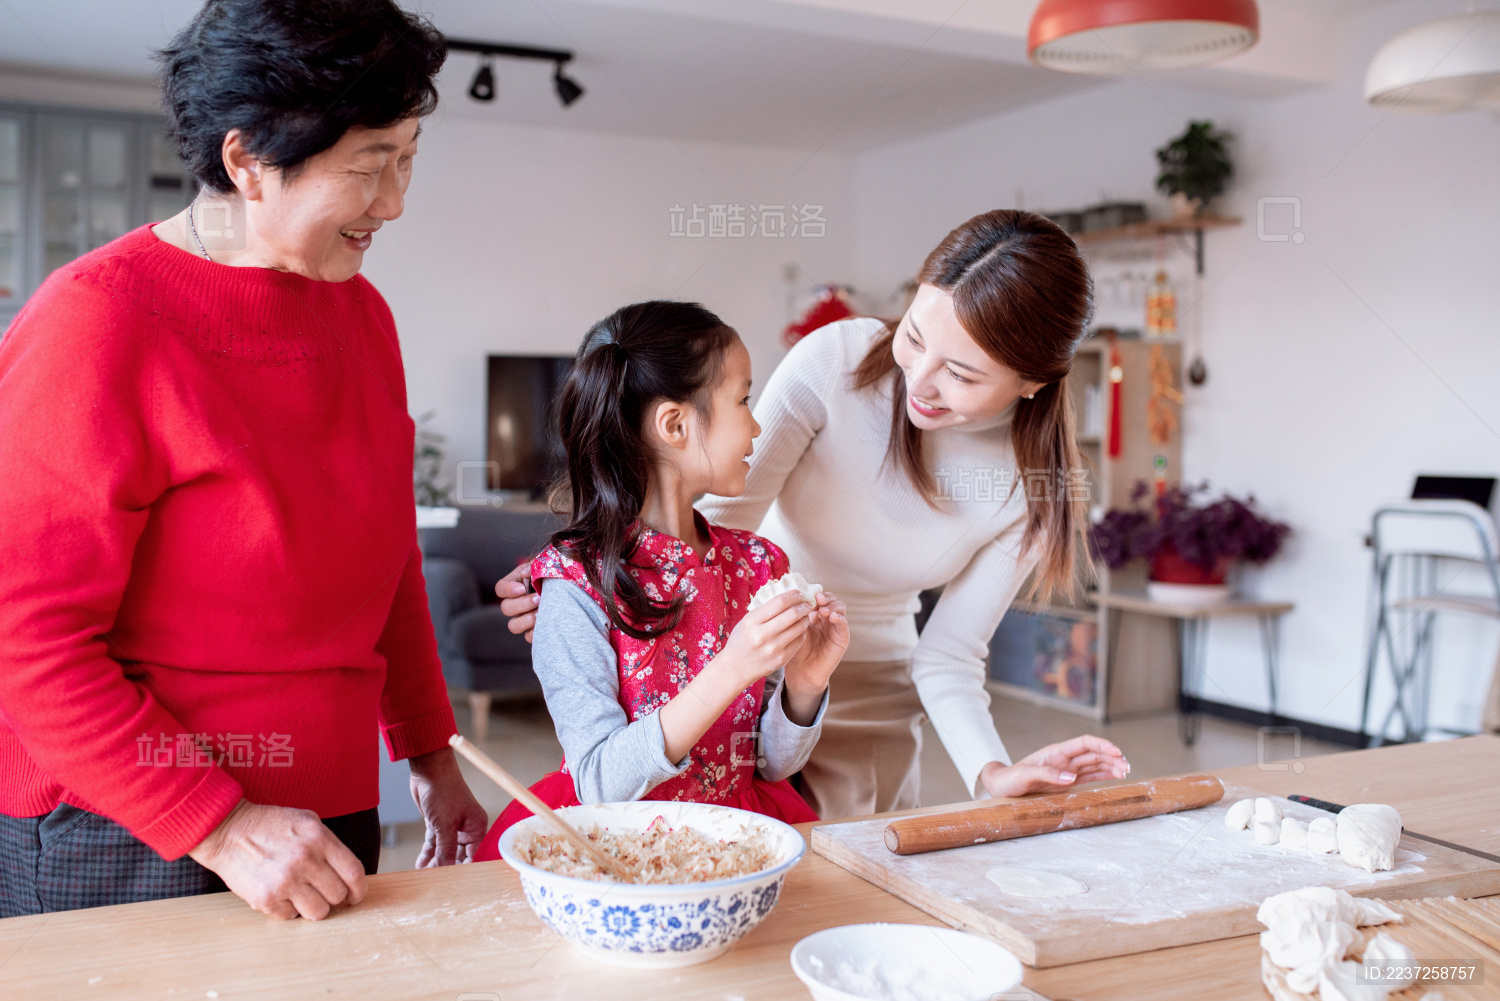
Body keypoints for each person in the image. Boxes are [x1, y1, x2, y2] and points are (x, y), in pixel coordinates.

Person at [0, 0, 484, 921]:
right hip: (127, 826)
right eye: (370, 166)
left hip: (326, 813)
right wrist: (219, 825)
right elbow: (24, 639)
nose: (395, 202)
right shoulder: (94, 323)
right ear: (245, 161)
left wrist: (429, 754)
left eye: (408, 158)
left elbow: (386, 564)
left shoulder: (363, 318)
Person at [499, 211, 1130, 819]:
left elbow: (949, 656)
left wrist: (993, 773)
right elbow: (708, 520)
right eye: (913, 336)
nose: (922, 381)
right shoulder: (839, 362)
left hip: (854, 685)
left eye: (961, 374)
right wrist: (598, 577)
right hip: (739, 657)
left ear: (1032, 382)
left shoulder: (1036, 485)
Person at [473, 301, 847, 860]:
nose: (756, 424)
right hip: (616, 846)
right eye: (742, 399)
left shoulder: (759, 562)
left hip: (737, 833)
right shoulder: (574, 581)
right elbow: (598, 779)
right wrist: (733, 667)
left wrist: (806, 687)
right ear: (674, 424)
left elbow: (771, 764)